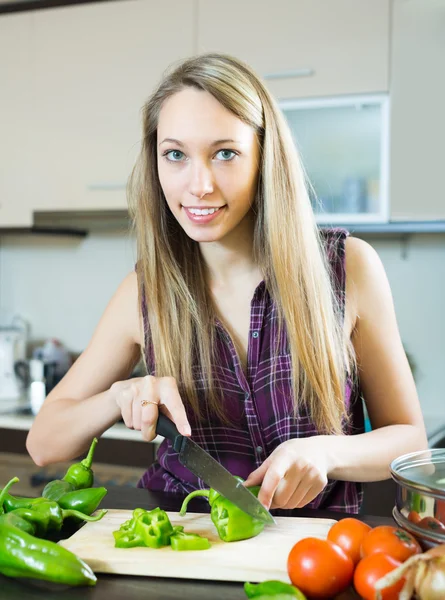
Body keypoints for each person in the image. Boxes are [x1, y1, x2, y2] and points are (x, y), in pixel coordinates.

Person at [26, 53, 427, 514]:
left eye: (225, 154)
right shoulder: (145, 292)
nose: (199, 185)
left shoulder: (346, 267)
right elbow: (44, 444)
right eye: (175, 154)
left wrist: (326, 452)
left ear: (264, 158)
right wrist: (118, 398)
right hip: (183, 547)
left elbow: (410, 441)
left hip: (313, 557)